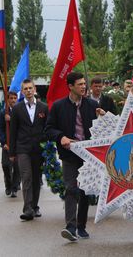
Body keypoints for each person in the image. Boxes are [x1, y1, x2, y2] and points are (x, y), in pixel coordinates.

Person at [45, 72, 106, 241]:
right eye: (79, 84)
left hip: (88, 155)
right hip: (69, 154)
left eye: (84, 84)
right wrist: (61, 137)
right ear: (70, 86)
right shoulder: (58, 107)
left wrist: (103, 117)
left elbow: (104, 130)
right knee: (71, 188)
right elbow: (48, 129)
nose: (83, 87)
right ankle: (70, 227)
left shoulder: (92, 105)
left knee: (85, 190)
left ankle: (81, 226)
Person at [9, 79, 48, 221]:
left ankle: (35, 206)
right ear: (22, 91)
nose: (28, 91)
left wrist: (48, 146)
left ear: (35, 89)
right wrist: (12, 153)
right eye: (25, 89)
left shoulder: (44, 107)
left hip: (39, 149)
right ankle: (27, 209)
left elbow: (47, 128)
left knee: (36, 179)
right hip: (23, 149)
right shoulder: (18, 109)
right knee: (26, 177)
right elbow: (13, 132)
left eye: (30, 88)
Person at [0, 91, 20, 198]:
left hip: (18, 144)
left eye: (15, 98)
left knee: (17, 167)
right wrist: (4, 143)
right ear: (7, 100)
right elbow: (0, 129)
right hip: (7, 144)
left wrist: (12, 120)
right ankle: (8, 185)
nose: (13, 100)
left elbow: (22, 126)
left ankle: (15, 188)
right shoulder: (3, 112)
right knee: (6, 166)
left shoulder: (20, 111)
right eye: (11, 98)